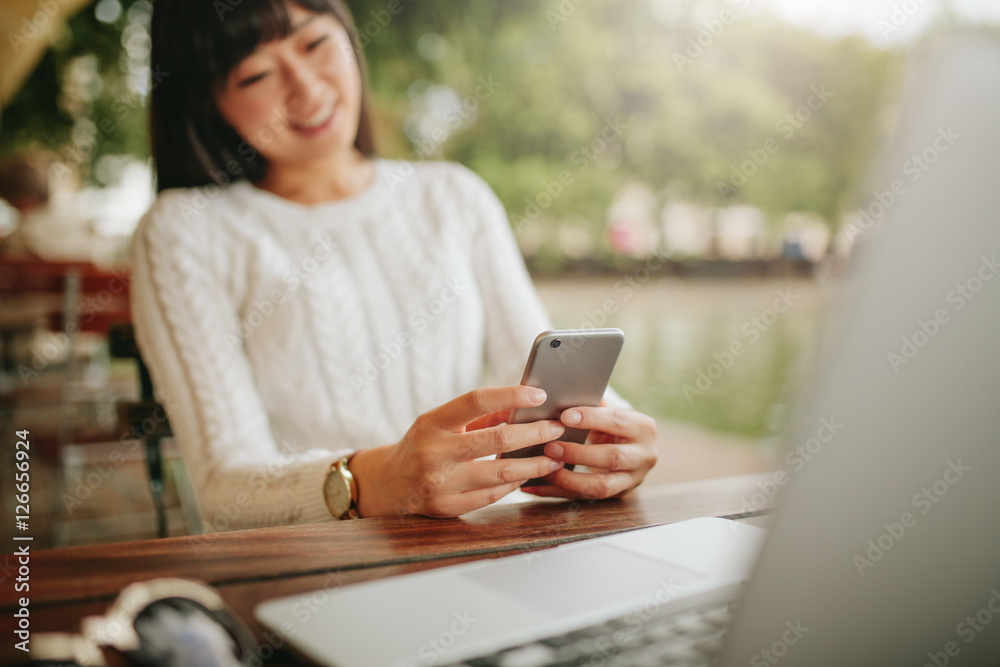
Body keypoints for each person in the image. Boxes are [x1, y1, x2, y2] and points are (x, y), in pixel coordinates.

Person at [132, 0, 657, 532]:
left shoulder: (453, 196)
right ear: (206, 98)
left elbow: (538, 372)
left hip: (485, 540)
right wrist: (375, 482)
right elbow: (225, 487)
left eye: (315, 44)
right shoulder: (183, 231)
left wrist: (611, 432)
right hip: (314, 570)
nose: (306, 89)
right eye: (256, 74)